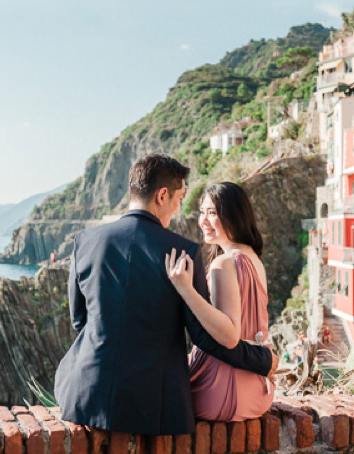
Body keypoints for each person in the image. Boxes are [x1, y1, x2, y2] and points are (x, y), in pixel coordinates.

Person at [54, 154, 278, 435]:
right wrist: (264, 360)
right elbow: (207, 337)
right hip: (153, 402)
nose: (178, 208)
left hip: (85, 393)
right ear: (162, 195)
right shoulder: (183, 253)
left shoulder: (84, 242)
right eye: (180, 199)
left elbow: (80, 321)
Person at [166, 182, 275, 421]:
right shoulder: (253, 259)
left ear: (234, 215)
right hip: (258, 390)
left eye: (212, 213)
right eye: (202, 212)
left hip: (222, 391)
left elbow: (229, 336)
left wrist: (185, 289)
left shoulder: (223, 264)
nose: (203, 220)